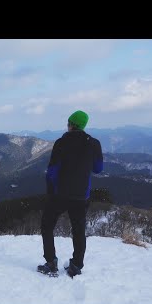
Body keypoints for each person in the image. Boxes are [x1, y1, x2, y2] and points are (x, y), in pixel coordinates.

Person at [37, 110, 103, 278]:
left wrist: (50, 191)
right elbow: (98, 168)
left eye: (68, 123)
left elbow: (52, 171)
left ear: (72, 125)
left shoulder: (61, 143)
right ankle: (76, 265)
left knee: (47, 225)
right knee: (79, 230)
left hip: (60, 195)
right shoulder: (94, 144)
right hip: (81, 196)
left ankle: (51, 262)